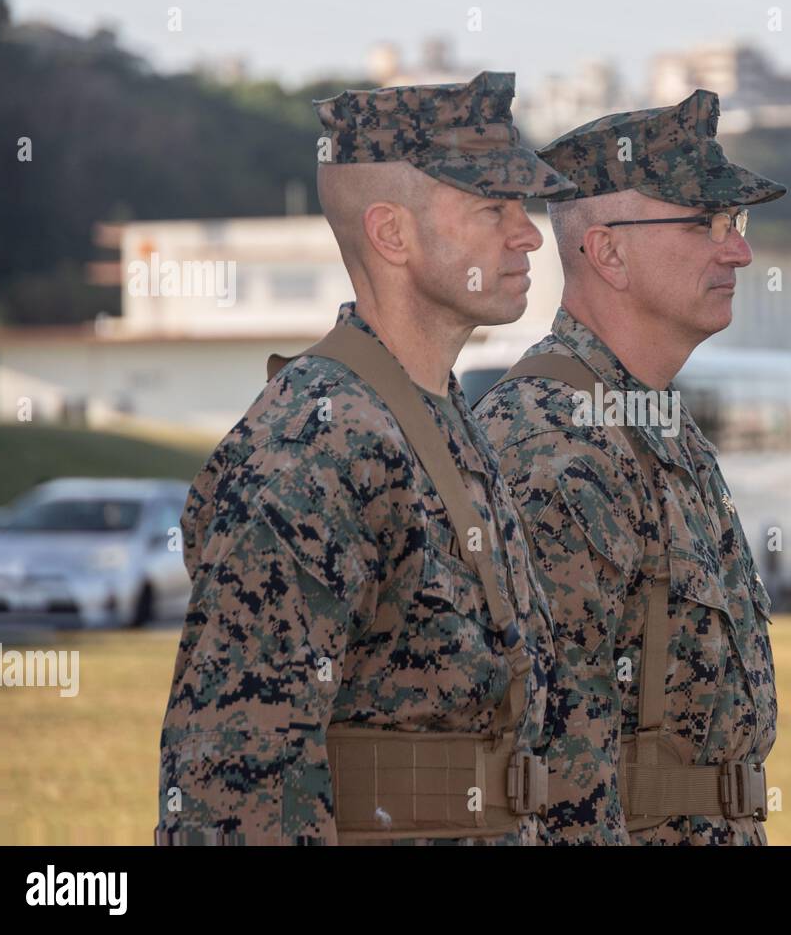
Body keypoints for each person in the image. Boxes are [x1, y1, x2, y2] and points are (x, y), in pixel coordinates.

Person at [155, 71, 573, 845]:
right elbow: (235, 783)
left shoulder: (436, 421)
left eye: (525, 206)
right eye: (492, 208)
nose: (528, 234)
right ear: (392, 235)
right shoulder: (316, 446)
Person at [475, 89, 785, 844]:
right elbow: (555, 771)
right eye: (702, 224)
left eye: (734, 223)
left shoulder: (648, 423)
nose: (737, 250)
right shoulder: (552, 445)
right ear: (607, 251)